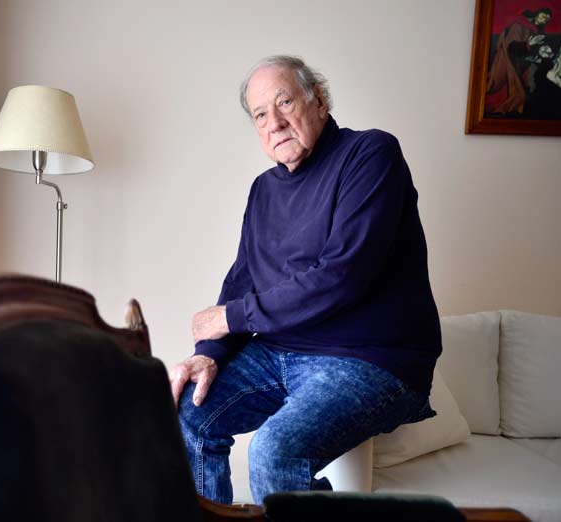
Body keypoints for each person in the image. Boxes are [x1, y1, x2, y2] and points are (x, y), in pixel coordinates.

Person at [169, 55, 441, 505]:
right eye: (260, 114)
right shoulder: (263, 190)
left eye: (284, 102)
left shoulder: (371, 154)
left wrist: (229, 317)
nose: (274, 122)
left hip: (369, 359)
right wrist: (209, 354)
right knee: (187, 412)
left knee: (275, 451)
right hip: (279, 351)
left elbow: (342, 276)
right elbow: (242, 280)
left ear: (319, 101)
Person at [485, 7, 553, 115]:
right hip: (507, 63)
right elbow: (511, 48)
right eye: (543, 16)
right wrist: (529, 44)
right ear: (536, 14)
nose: (544, 20)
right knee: (515, 95)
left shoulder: (536, 30)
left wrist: (534, 56)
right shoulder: (519, 25)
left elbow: (529, 51)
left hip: (521, 65)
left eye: (547, 19)